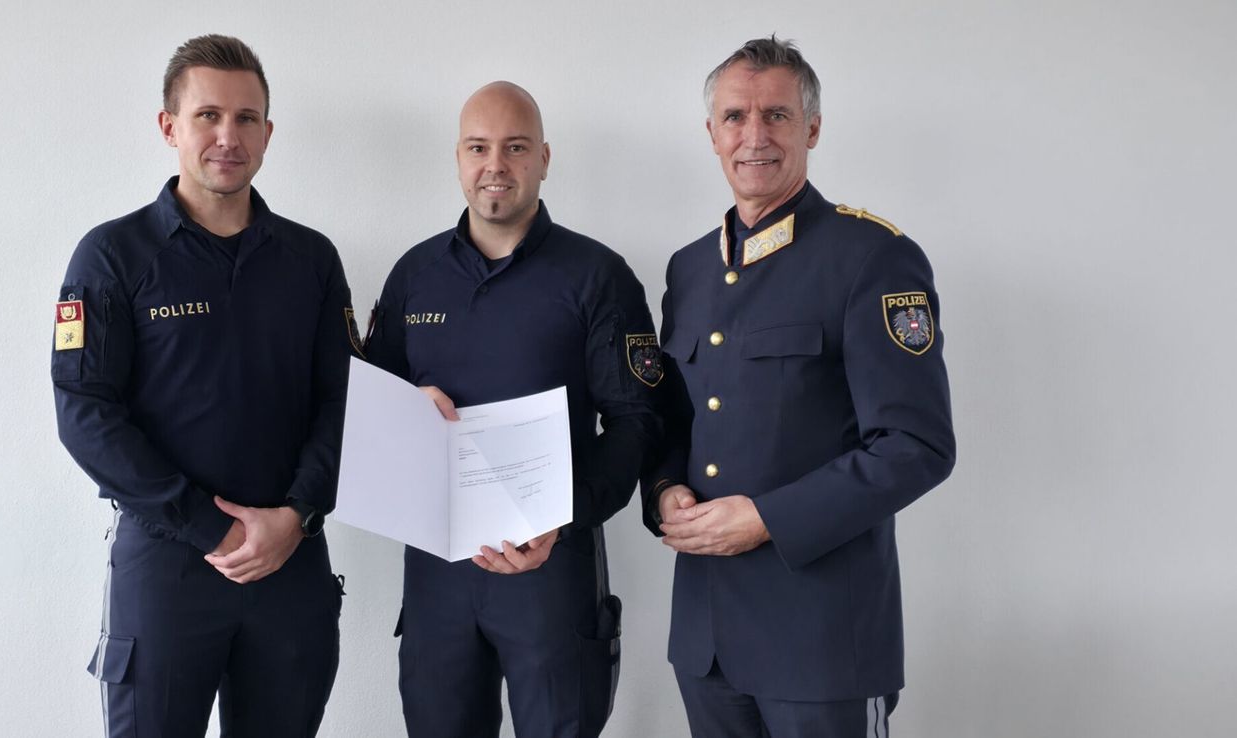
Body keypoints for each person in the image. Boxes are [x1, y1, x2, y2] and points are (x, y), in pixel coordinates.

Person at [641, 36, 956, 738]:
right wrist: (664, 490)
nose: (754, 136)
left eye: (777, 116)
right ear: (711, 134)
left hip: (822, 645)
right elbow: (674, 420)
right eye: (735, 117)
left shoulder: (872, 257)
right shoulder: (689, 270)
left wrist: (766, 519)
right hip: (708, 641)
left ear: (812, 128)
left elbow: (917, 445)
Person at [53, 34, 353, 738]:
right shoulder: (112, 256)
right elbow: (85, 413)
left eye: (247, 118)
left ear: (268, 132)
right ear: (169, 127)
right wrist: (207, 525)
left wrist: (297, 515)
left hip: (291, 564)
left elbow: (345, 403)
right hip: (168, 567)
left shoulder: (310, 260)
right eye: (208, 116)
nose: (228, 136)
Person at [364, 81, 660, 738]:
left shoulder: (596, 276)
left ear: (544, 158)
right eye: (478, 147)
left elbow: (637, 421)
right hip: (439, 585)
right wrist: (407, 408)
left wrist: (564, 514)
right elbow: (367, 417)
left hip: (552, 575)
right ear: (459, 157)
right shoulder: (414, 275)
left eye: (515, 147)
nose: (494, 165)